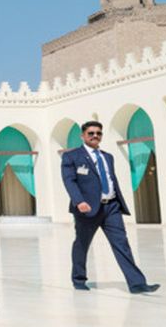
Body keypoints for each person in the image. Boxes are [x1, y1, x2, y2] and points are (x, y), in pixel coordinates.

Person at [61, 120, 160, 294]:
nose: (95, 136)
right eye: (91, 133)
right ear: (83, 136)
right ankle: (78, 279)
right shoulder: (72, 156)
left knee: (122, 244)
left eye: (98, 133)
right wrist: (79, 201)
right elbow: (69, 181)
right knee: (82, 244)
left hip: (111, 207)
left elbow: (110, 179)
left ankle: (137, 284)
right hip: (87, 209)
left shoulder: (108, 157)